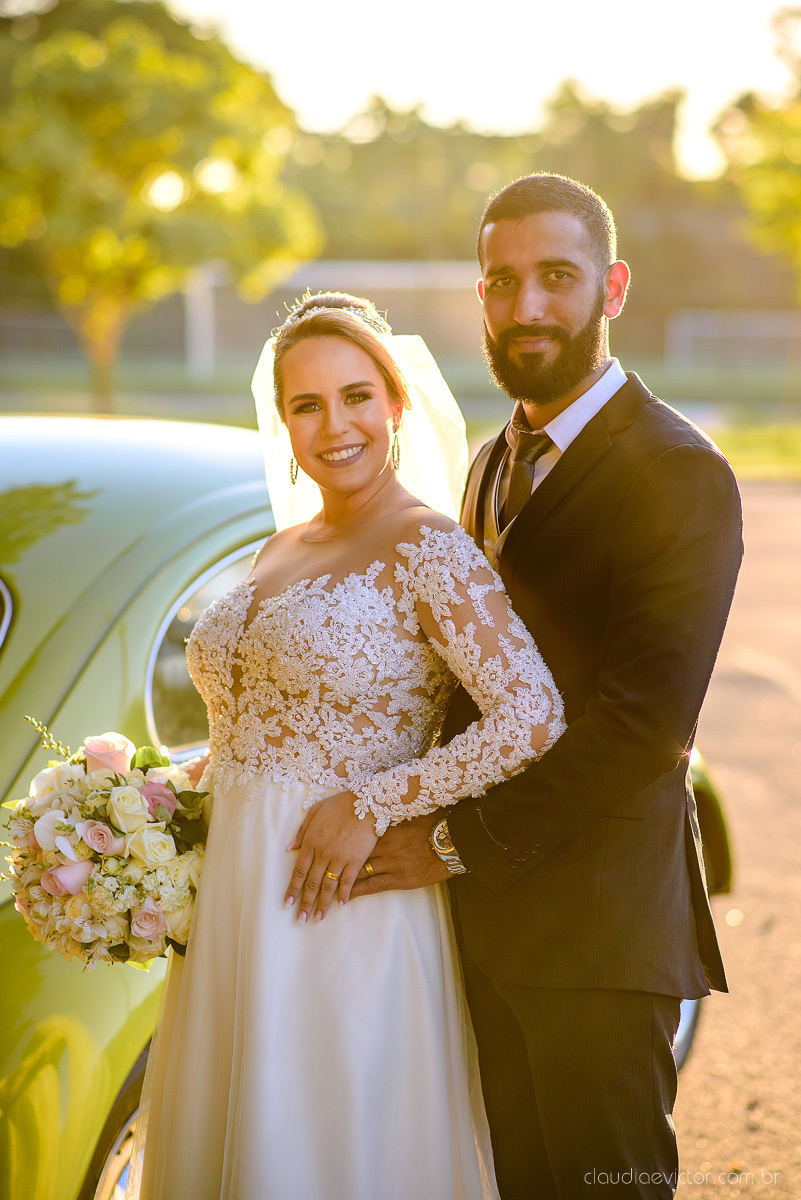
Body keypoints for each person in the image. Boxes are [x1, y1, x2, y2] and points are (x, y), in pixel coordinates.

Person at [350, 174, 744, 1199]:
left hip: (598, 937)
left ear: (611, 288)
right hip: (483, 928)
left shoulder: (677, 470)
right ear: (479, 296)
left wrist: (451, 843)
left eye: (557, 277)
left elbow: (644, 727)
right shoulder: (490, 462)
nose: (527, 306)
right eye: (503, 281)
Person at [124, 292, 566, 1200]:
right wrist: (148, 804)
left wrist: (374, 802)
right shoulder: (280, 548)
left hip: (341, 898)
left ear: (397, 402)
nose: (335, 426)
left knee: (323, 1144)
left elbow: (531, 714)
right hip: (235, 895)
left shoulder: (428, 546)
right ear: (282, 421)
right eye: (307, 405)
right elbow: (262, 724)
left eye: (356, 396)